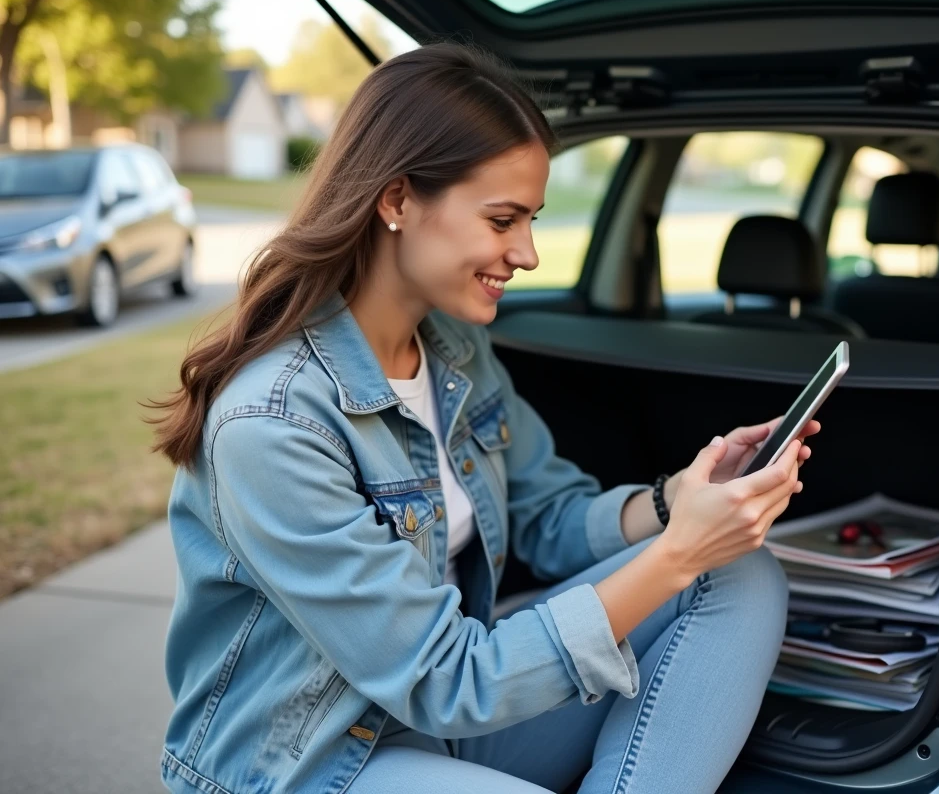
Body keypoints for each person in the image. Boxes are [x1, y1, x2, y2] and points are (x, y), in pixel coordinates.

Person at [149, 42, 817, 794]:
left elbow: (552, 519)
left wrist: (675, 504)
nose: (526, 253)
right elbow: (445, 677)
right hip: (308, 762)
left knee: (740, 570)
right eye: (502, 220)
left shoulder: (455, 350)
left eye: (530, 220)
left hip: (447, 717)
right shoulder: (273, 424)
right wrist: (678, 554)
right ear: (396, 201)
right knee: (693, 564)